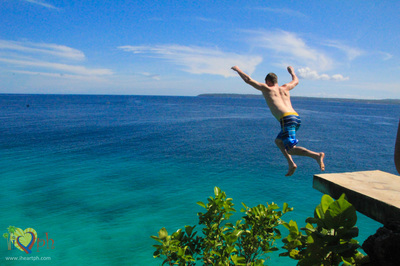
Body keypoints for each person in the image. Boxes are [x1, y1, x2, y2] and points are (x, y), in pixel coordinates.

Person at [231, 65, 325, 176]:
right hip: (296, 118)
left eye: (266, 82)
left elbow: (248, 80)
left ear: (268, 81)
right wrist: (292, 72)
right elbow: (296, 81)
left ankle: (316, 155)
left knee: (290, 149)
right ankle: (291, 164)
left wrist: (238, 69)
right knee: (278, 141)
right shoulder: (285, 87)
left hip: (286, 119)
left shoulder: (267, 88)